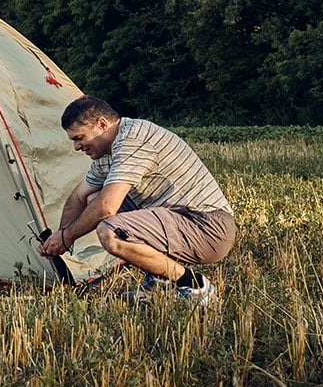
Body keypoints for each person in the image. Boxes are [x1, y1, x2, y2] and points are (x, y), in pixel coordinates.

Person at [38, 96, 236, 304]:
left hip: (207, 227)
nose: (77, 147)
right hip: (176, 220)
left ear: (102, 125)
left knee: (110, 231)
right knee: (93, 197)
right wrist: (61, 237)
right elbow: (78, 196)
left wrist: (68, 236)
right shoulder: (106, 153)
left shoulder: (133, 138)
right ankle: (160, 283)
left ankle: (195, 285)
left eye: (79, 138)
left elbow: (107, 207)